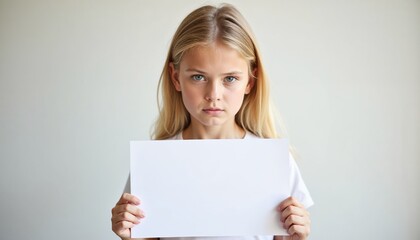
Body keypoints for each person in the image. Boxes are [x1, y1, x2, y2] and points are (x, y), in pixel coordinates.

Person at [111, 3, 313, 240]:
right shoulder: (154, 164)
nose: (214, 94)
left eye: (230, 78)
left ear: (250, 81)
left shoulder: (275, 162)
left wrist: (295, 237)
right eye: (198, 77)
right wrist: (130, 235)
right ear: (176, 78)